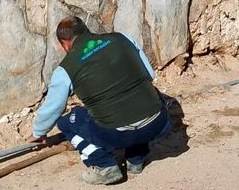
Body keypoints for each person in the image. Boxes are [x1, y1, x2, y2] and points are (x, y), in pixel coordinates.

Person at [29, 16, 169, 184]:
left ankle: (105, 166)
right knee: (142, 99)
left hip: (118, 135)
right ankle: (136, 159)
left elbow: (53, 108)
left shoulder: (66, 68)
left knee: (68, 122)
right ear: (86, 30)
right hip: (158, 123)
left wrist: (38, 132)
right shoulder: (124, 38)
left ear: (65, 43)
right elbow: (149, 75)